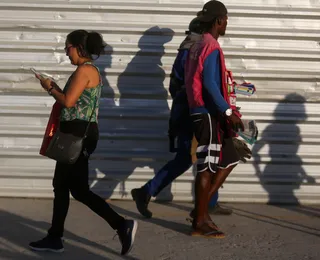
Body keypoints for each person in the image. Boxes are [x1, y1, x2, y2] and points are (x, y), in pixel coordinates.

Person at [29, 30, 137, 256]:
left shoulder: (84, 70)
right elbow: (74, 101)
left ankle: (120, 225)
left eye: (67, 47)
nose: (66, 53)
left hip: (78, 137)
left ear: (78, 47)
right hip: (76, 135)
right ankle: (55, 236)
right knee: (66, 187)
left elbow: (68, 102)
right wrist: (56, 88)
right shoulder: (88, 71)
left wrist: (50, 87)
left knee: (74, 189)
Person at [131, 17, 237, 219]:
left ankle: (206, 201)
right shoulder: (194, 49)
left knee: (198, 157)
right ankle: (203, 204)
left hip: (188, 111)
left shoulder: (189, 48)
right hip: (194, 112)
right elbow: (198, 84)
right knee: (204, 156)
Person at [185, 1, 244, 238]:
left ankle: (200, 212)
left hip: (204, 110)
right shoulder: (211, 46)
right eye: (226, 19)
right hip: (208, 112)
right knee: (207, 168)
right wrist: (227, 112)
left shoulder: (198, 45)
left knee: (231, 155)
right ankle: (200, 221)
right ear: (219, 20)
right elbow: (209, 83)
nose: (227, 23)